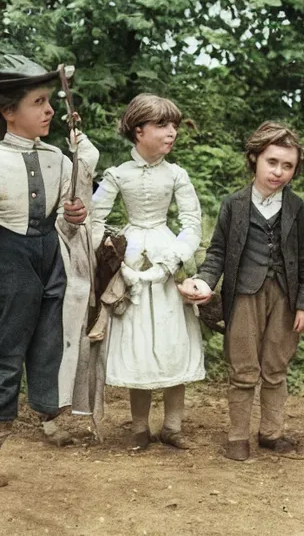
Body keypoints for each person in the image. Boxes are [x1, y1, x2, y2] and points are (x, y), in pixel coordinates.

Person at [184, 123, 304, 461]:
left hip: (284, 298)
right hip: (244, 294)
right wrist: (205, 281)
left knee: (275, 366)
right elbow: (217, 252)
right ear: (254, 158)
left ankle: (272, 433)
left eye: (288, 166)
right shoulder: (235, 205)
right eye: (272, 162)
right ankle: (237, 436)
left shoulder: (297, 208)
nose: (279, 172)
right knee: (243, 368)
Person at [88, 93, 206, 450]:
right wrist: (113, 252)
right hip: (132, 253)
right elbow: (95, 217)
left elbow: (191, 222)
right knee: (137, 339)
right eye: (162, 125)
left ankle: (172, 426)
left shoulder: (176, 174)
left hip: (165, 256)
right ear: (138, 131)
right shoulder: (118, 174)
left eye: (173, 125)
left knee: (173, 339)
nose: (172, 132)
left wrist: (173, 258)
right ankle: (139, 426)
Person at [0, 57, 96, 479]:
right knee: (7, 349)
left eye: (50, 100)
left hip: (49, 257)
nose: (49, 111)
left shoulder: (58, 156)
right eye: (38, 102)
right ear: (8, 112)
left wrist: (72, 215)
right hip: (9, 259)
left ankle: (48, 415)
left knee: (48, 341)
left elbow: (65, 216)